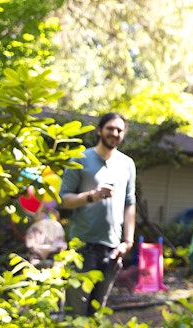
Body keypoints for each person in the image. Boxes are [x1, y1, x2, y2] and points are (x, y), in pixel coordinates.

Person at [59, 112, 136, 317]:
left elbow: (130, 204)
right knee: (75, 312)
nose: (115, 133)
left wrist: (127, 241)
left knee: (96, 311)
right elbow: (65, 199)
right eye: (110, 128)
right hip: (83, 245)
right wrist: (93, 196)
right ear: (99, 130)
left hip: (112, 248)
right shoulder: (80, 159)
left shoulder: (127, 164)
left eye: (119, 130)